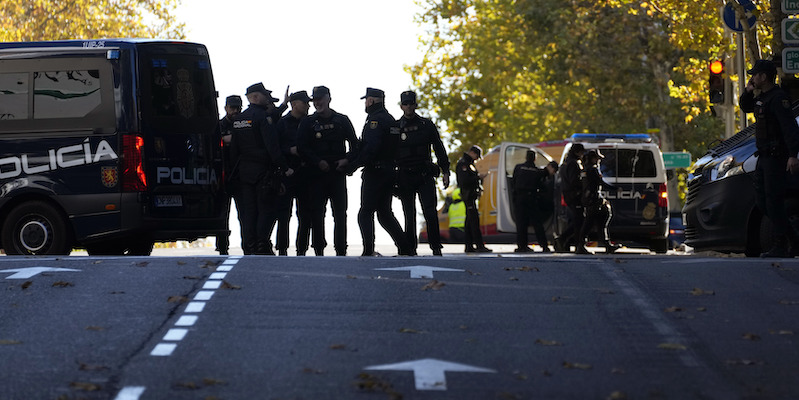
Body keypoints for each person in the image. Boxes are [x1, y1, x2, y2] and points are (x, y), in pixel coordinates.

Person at [740, 59, 799, 257]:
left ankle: (782, 244)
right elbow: (745, 106)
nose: (753, 77)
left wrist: (793, 155)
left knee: (774, 201)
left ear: (764, 77)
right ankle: (792, 236)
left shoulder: (778, 99)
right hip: (763, 158)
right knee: (762, 201)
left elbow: (790, 128)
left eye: (755, 75)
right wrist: (748, 90)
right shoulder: (762, 98)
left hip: (776, 158)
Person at [229, 83, 293, 255]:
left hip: (244, 173)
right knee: (266, 209)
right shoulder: (262, 117)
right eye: (264, 95)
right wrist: (284, 167)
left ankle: (250, 246)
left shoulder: (239, 120)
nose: (267, 98)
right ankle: (261, 244)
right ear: (256, 97)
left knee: (249, 211)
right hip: (263, 172)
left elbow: (234, 150)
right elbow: (272, 146)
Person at [347, 87, 410, 256]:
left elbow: (371, 148)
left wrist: (353, 165)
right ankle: (405, 247)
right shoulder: (390, 119)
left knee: (365, 212)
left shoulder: (375, 121)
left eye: (367, 100)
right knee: (384, 214)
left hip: (376, 172)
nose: (365, 104)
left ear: (373, 101)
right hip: (389, 171)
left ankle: (368, 249)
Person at [296, 86, 359, 256]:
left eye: (320, 99)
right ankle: (318, 249)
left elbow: (355, 145)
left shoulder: (342, 120)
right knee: (317, 213)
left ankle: (341, 249)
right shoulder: (308, 122)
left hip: (337, 173)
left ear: (328, 99)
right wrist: (317, 162)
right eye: (315, 100)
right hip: (316, 174)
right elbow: (302, 147)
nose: (318, 103)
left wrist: (347, 160)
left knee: (340, 213)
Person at [395, 90, 450, 256]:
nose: (409, 107)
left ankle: (436, 246)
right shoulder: (396, 127)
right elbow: (389, 153)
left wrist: (445, 170)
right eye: (406, 104)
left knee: (430, 212)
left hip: (424, 174)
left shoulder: (426, 125)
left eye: (411, 103)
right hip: (405, 175)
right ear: (401, 106)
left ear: (415, 104)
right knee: (408, 213)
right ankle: (410, 247)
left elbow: (439, 148)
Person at [275, 90, 311, 256]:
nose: (308, 106)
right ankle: (282, 248)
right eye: (305, 103)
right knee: (283, 213)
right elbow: (275, 148)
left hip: (306, 173)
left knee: (305, 213)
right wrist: (290, 151)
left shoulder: (310, 122)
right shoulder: (282, 123)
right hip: (287, 172)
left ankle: (301, 249)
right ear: (295, 104)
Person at [577, 150, 619, 254]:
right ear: (593, 159)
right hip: (593, 199)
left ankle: (606, 244)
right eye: (597, 158)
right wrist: (615, 189)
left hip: (590, 199)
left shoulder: (585, 170)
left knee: (600, 219)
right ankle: (582, 245)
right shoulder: (593, 170)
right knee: (590, 223)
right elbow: (600, 183)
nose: (599, 161)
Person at [216, 94, 242, 255]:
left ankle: (247, 244)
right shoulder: (219, 126)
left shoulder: (242, 124)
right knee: (223, 214)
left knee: (244, 213)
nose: (235, 111)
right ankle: (222, 246)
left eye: (238, 108)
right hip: (224, 175)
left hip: (239, 174)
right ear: (226, 108)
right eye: (232, 108)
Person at [511, 150, 549, 253]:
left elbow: (513, 182)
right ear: (535, 158)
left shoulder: (518, 168)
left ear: (526, 157)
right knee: (537, 223)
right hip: (531, 198)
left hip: (520, 198)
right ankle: (544, 246)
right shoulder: (537, 171)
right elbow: (541, 185)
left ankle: (521, 246)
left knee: (521, 223)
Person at [455, 145, 492, 253]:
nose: (476, 158)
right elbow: (464, 181)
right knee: (474, 221)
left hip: (472, 195)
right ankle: (479, 245)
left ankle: (469, 246)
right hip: (468, 195)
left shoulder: (469, 164)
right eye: (476, 155)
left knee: (469, 222)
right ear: (472, 152)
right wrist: (478, 177)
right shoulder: (463, 164)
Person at [556, 143, 586, 252]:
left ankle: (566, 242)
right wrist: (583, 184)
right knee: (578, 222)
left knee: (575, 220)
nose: (583, 155)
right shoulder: (574, 164)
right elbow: (574, 181)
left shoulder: (566, 163)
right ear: (577, 152)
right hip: (575, 195)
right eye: (581, 152)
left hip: (569, 195)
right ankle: (568, 241)